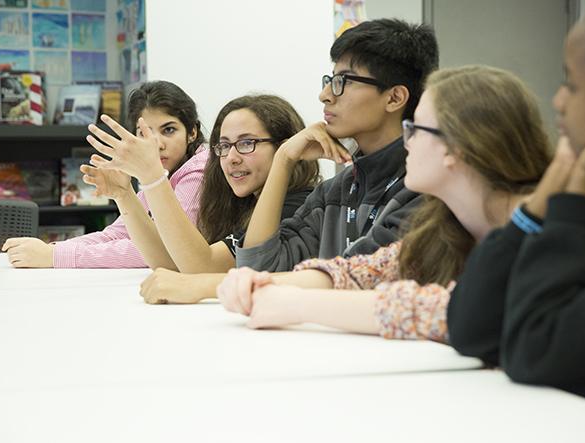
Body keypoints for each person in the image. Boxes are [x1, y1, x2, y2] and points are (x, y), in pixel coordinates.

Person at [216, 65, 551, 341]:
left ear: (456, 148)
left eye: (416, 129)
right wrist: (265, 285)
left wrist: (297, 302)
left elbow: (463, 310)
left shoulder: (542, 222)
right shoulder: (446, 221)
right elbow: (363, 271)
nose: (406, 141)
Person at [447, 0, 585, 413]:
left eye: (573, 84)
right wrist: (545, 199)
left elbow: (534, 346)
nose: (559, 101)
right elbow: (471, 327)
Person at [234, 18, 439, 273]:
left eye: (344, 80)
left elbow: (360, 280)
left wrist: (202, 285)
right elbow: (256, 267)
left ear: (394, 97)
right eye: (330, 80)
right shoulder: (334, 192)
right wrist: (284, 159)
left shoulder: (425, 189)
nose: (326, 94)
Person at [84, 95, 320, 281]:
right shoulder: (239, 199)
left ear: (286, 146)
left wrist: (152, 176)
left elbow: (203, 268)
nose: (231, 158)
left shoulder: (297, 204)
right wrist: (124, 195)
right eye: (224, 145)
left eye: (247, 143)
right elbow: (170, 263)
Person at [2, 81, 208, 268]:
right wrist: (50, 249)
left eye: (169, 130)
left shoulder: (198, 170)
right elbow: (118, 234)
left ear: (192, 132)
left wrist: (55, 256)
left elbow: (158, 251)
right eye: (144, 133)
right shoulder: (159, 172)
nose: (156, 144)